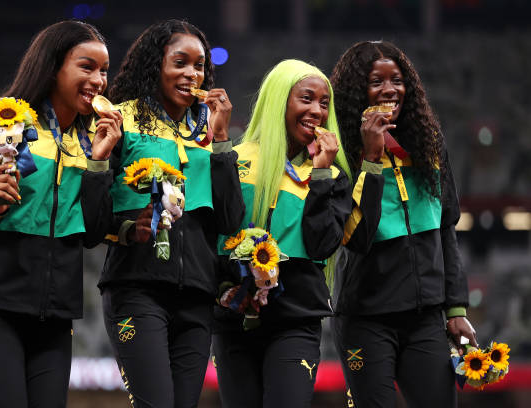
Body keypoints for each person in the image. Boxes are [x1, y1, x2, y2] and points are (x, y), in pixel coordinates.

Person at [0, 20, 121, 408]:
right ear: (53, 67)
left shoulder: (95, 141)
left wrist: (99, 164)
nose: (99, 80)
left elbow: (93, 233)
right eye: (87, 67)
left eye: (104, 70)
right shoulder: (2, 124)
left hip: (54, 318)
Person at [96, 19, 244, 407]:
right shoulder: (121, 119)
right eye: (180, 62)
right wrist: (127, 228)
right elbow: (93, 210)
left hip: (197, 295)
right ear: (155, 65)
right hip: (136, 288)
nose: (191, 74)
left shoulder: (211, 129)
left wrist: (223, 140)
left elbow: (231, 220)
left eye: (199, 66)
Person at [329, 40, 478, 408]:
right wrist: (371, 157)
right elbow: (357, 237)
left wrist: (456, 309)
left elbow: (446, 228)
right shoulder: (339, 152)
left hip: (425, 318)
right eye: (375, 81)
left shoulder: (428, 144)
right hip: (365, 318)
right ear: (356, 91)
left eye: (397, 80)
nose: (389, 89)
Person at [212, 59, 352, 407]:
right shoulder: (233, 159)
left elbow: (322, 245)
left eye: (324, 103)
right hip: (234, 318)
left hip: (297, 320)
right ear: (278, 100)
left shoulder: (332, 177)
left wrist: (321, 175)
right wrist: (225, 290)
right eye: (306, 98)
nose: (317, 111)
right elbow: (216, 233)